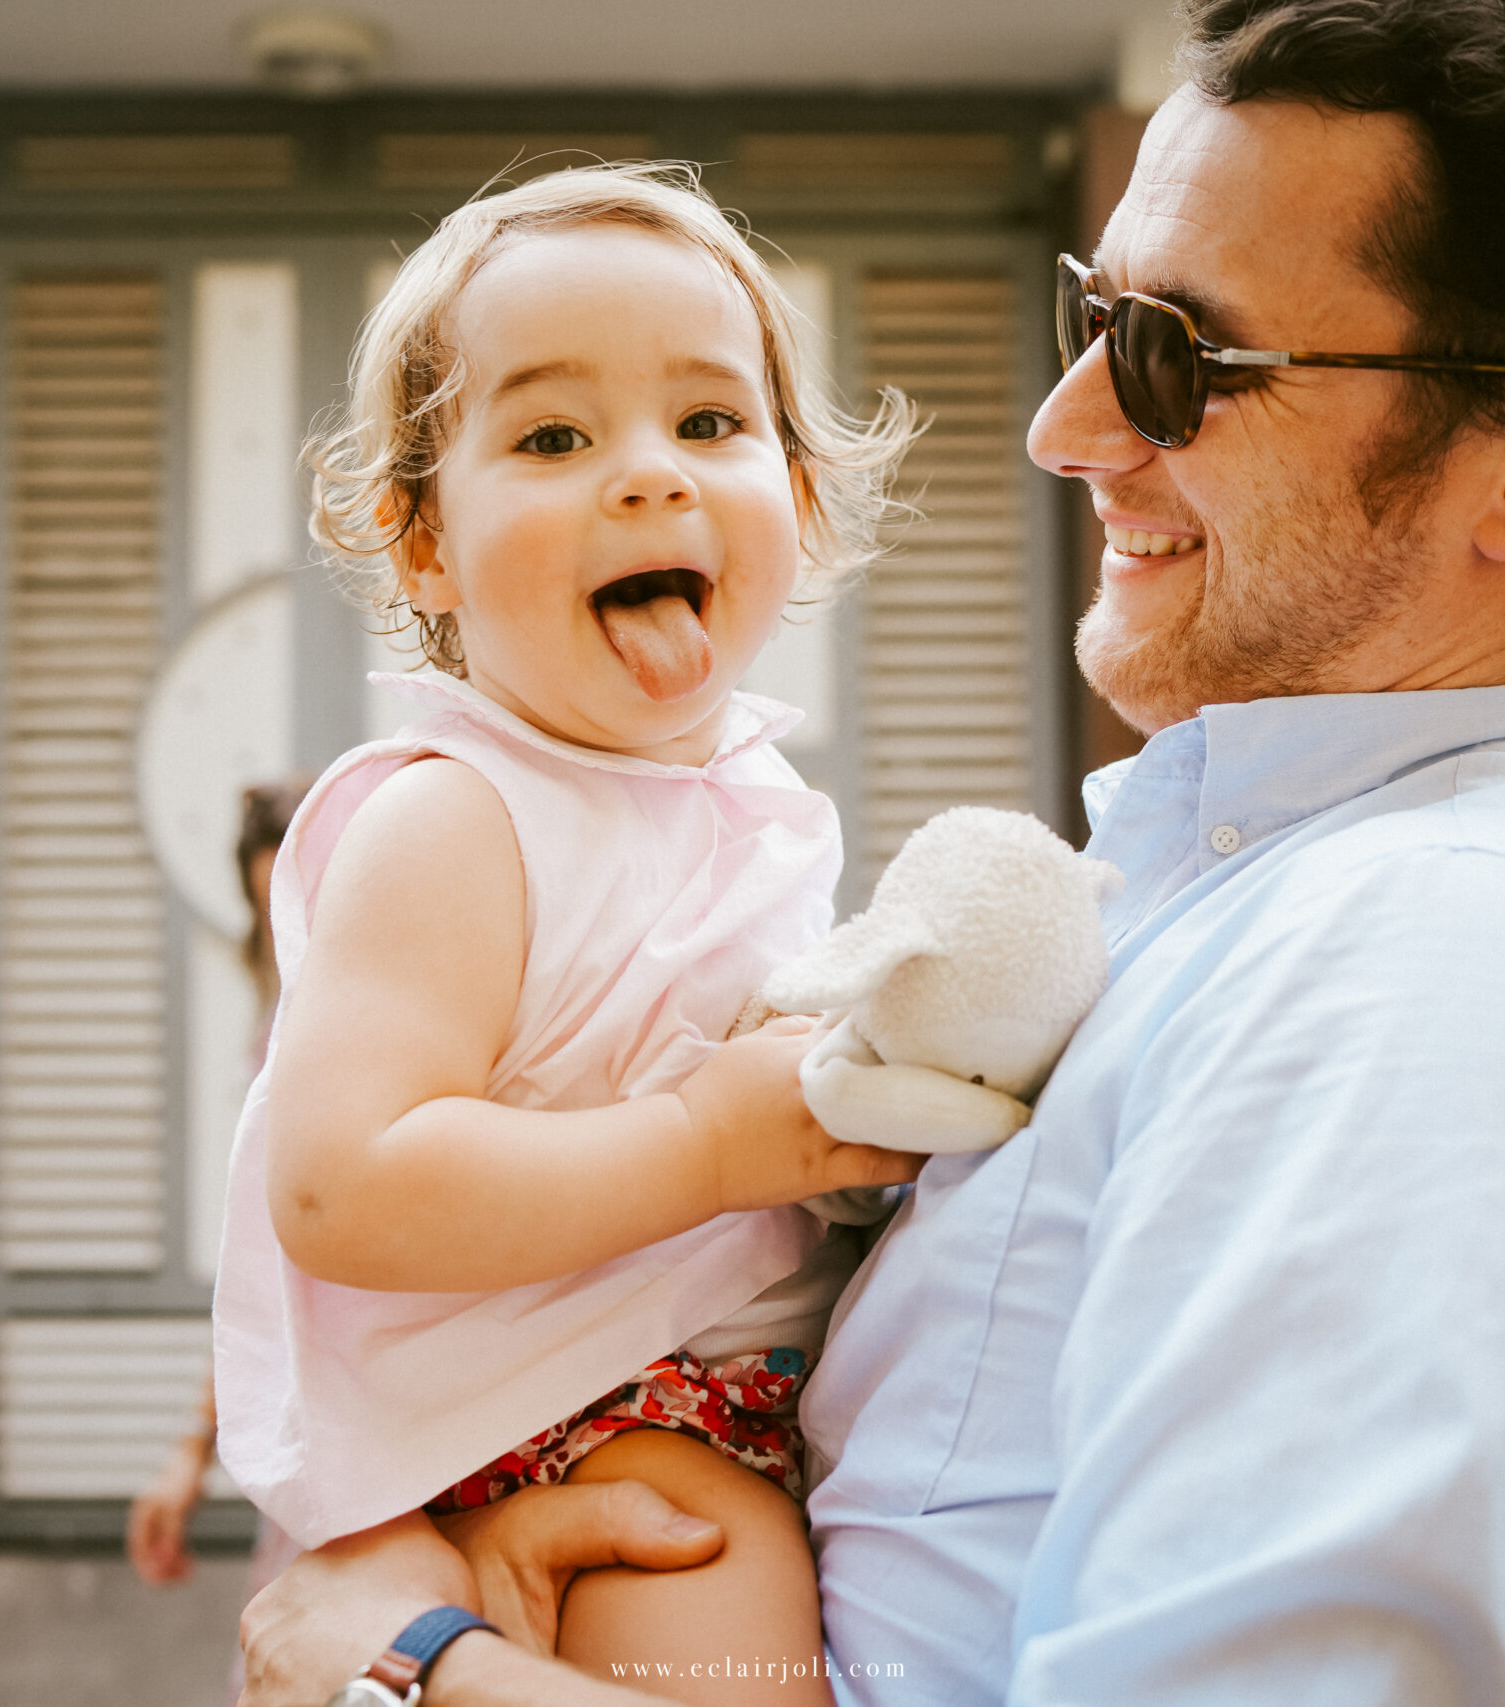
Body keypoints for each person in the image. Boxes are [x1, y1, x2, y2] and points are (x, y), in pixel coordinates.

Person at [231, 2, 1505, 1704]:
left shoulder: (1441, 979)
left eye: (1179, 356)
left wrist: (405, 1671)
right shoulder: (1191, 896)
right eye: (1095, 317)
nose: (1062, 425)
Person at [209, 163, 923, 1703]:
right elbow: (342, 1185)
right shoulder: (459, 815)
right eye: (552, 437)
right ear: (422, 543)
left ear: (800, 498)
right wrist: (705, 1145)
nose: (650, 474)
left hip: (708, 1393)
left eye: (711, 421)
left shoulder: (750, 806)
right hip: (580, 1418)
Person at [127, 781, 312, 1591]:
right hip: (314, 1417)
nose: (291, 930)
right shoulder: (281, 1026)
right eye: (269, 911)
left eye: (304, 902)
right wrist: (191, 1449)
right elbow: (260, 1259)